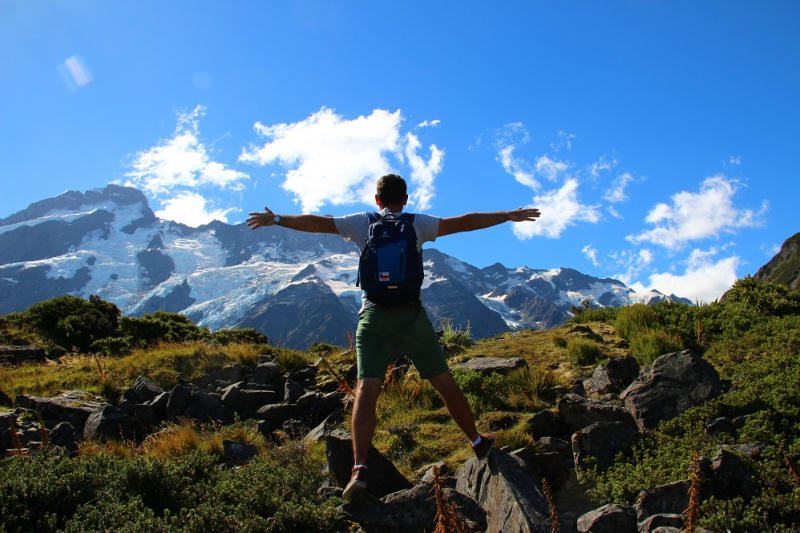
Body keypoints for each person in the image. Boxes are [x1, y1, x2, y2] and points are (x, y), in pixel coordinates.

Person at [246, 174, 541, 502]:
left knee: (366, 390)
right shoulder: (419, 224)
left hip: (373, 317)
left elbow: (319, 223)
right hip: (411, 317)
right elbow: (466, 222)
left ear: (377, 200)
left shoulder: (362, 223)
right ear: (406, 198)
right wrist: (508, 216)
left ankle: (359, 468)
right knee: (444, 383)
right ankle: (476, 442)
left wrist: (277, 219)